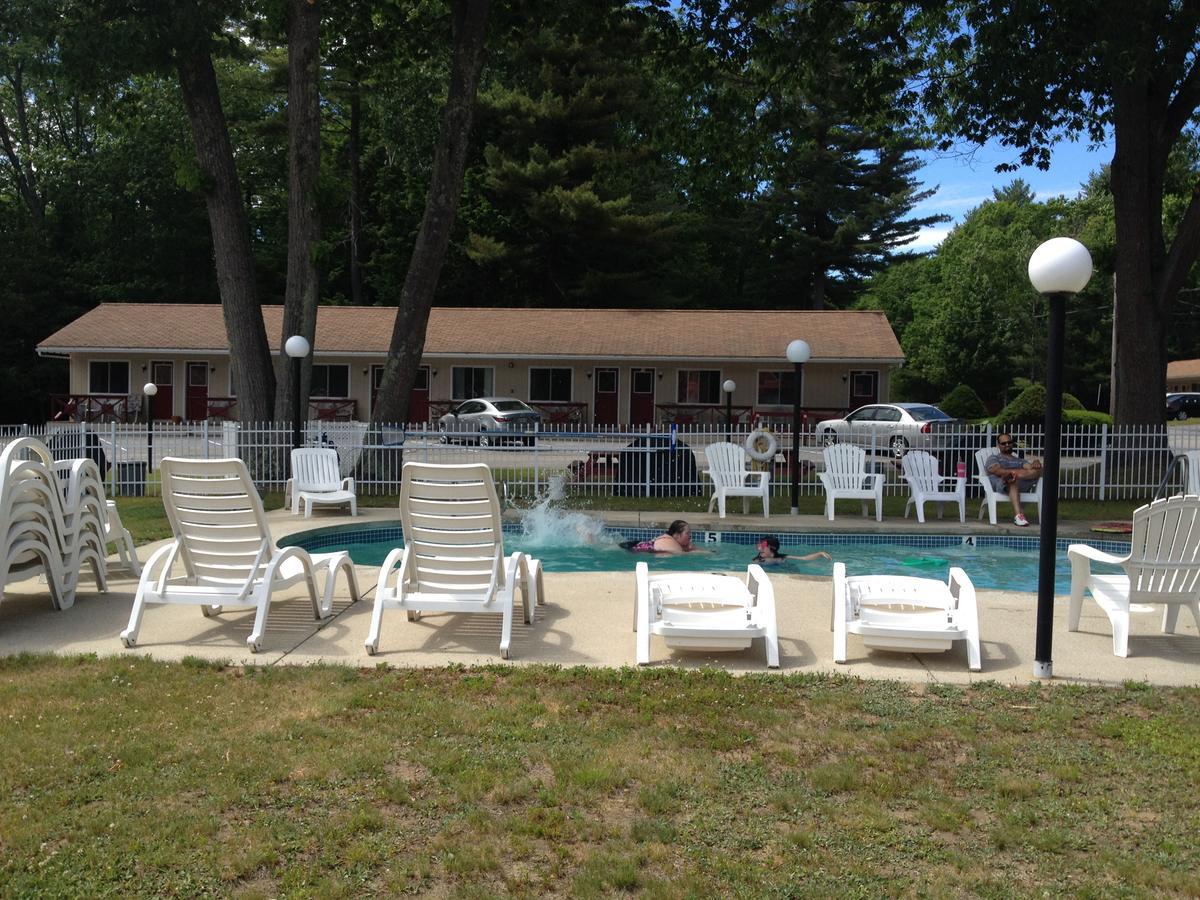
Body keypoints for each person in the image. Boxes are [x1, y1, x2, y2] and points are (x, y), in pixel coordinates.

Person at [985, 432, 1043, 526]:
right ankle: (1018, 516)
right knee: (1012, 480)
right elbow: (997, 470)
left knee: (1028, 473)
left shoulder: (1019, 460)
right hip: (1001, 484)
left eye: (1009, 442)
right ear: (998, 446)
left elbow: (1035, 472)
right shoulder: (993, 458)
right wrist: (1017, 473)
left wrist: (1036, 465)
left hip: (1019, 484)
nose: (1007, 445)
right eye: (1003, 443)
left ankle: (1013, 477)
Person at [624, 520, 701, 554]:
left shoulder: (677, 543)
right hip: (632, 549)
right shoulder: (670, 543)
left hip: (637, 545)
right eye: (687, 533)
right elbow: (683, 554)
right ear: (676, 535)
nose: (690, 535)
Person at [752, 536, 831, 564]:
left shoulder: (782, 558)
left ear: (772, 548)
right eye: (759, 545)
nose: (760, 548)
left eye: (763, 546)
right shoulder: (758, 561)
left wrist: (820, 554)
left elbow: (804, 558)